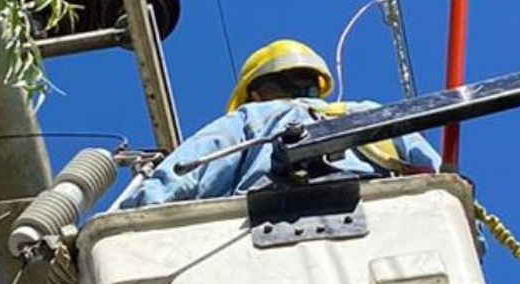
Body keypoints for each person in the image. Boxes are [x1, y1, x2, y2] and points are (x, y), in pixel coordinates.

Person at [119, 39, 441, 209]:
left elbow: (181, 177)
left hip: (260, 242)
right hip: (394, 242)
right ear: (317, 84)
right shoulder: (369, 114)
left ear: (256, 92)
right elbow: (446, 189)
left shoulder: (250, 118)